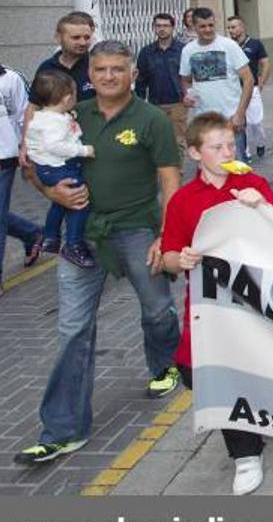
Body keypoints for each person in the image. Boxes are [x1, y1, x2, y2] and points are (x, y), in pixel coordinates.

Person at [15, 40, 182, 466]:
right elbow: (34, 164)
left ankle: (164, 364)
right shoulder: (71, 118)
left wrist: (168, 234)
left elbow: (169, 178)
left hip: (138, 230)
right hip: (81, 236)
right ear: (89, 74)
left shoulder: (151, 121)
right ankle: (62, 430)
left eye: (117, 69)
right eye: (101, 69)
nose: (108, 77)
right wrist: (51, 191)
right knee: (73, 330)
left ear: (133, 74)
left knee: (157, 311)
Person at [159, 112, 273, 495]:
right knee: (196, 371)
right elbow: (167, 256)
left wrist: (261, 206)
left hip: (253, 300)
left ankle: (248, 445)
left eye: (231, 144)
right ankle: (246, 447)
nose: (228, 151)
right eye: (217, 147)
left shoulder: (252, 182)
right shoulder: (183, 199)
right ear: (196, 153)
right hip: (208, 306)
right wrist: (179, 260)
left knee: (252, 368)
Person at [25, 71, 96, 268]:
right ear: (66, 99)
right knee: (79, 200)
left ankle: (50, 236)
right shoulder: (54, 123)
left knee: (60, 203)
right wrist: (83, 150)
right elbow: (55, 145)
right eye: (74, 95)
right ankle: (73, 243)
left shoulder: (48, 116)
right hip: (58, 167)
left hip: (48, 168)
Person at [179, 8, 253, 163]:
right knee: (209, 166)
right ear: (193, 26)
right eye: (203, 26)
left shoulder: (229, 46)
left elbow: (248, 79)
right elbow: (185, 79)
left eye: (211, 25)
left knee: (236, 166)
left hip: (230, 118)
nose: (208, 30)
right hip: (203, 120)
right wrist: (187, 94)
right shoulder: (188, 50)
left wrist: (240, 114)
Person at [1, 61, 32, 297]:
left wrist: (26, 150)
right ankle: (32, 233)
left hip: (4, 157)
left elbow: (24, 115)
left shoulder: (11, 77)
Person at [135, 13, 187, 154]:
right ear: (153, 28)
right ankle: (162, 174)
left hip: (178, 103)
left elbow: (190, 76)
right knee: (157, 142)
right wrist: (139, 104)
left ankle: (177, 174)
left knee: (178, 143)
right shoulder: (146, 52)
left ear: (172, 28)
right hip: (155, 104)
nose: (162, 29)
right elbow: (140, 81)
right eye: (158, 26)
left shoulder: (183, 50)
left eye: (165, 26)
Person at [226, 16, 271, 160]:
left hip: (252, 89)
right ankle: (244, 153)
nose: (231, 30)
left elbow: (265, 63)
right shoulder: (227, 45)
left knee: (255, 122)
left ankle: (260, 142)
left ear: (242, 27)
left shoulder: (255, 44)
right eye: (229, 28)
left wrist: (262, 82)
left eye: (233, 27)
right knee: (239, 122)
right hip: (234, 91)